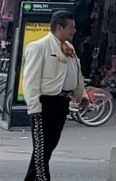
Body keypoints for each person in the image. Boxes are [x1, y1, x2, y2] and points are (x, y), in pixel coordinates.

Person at [23, 11, 87, 181]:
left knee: (47, 148)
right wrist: (34, 107)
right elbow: (30, 80)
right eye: (71, 27)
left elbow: (75, 73)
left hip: (61, 102)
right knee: (41, 150)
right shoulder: (39, 47)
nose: (74, 30)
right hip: (44, 103)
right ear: (59, 27)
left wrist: (82, 95)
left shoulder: (68, 48)